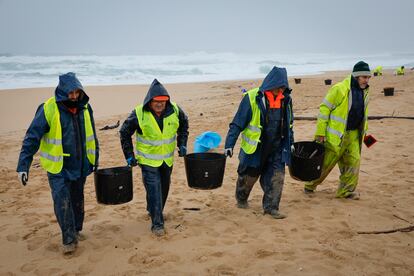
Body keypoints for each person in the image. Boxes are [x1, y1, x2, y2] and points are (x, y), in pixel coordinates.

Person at [17, 72, 99, 254]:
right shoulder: (47, 108)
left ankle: (76, 230)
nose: (74, 96)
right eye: (71, 93)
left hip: (80, 165)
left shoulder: (85, 107)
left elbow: (92, 134)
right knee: (62, 201)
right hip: (58, 167)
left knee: (77, 200)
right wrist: (23, 166)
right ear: (62, 91)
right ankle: (69, 240)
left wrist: (96, 160)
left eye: (77, 92)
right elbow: (32, 138)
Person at [119, 79, 188, 236]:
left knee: (164, 189)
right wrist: (129, 155)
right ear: (149, 101)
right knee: (154, 189)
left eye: (162, 102)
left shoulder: (176, 110)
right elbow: (124, 133)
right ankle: (157, 224)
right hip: (148, 161)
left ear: (167, 101)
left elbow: (184, 125)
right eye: (156, 101)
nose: (159, 105)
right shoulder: (138, 113)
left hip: (167, 160)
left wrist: (182, 143)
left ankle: (153, 210)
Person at [224, 67, 294, 219]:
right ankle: (241, 199)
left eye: (283, 87)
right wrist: (229, 144)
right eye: (278, 86)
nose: (281, 89)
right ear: (271, 82)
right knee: (247, 179)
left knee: (277, 177)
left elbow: (289, 124)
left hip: (277, 147)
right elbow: (237, 123)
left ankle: (271, 208)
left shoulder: (286, 99)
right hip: (255, 148)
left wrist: (291, 143)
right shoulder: (251, 97)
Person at [304, 61, 371, 199]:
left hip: (353, 135)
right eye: (364, 77)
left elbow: (362, 114)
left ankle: (345, 191)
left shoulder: (365, 92)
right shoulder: (339, 89)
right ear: (356, 76)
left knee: (354, 163)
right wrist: (320, 132)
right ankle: (309, 185)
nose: (367, 80)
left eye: (368, 77)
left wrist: (365, 135)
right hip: (336, 136)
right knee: (326, 164)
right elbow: (324, 108)